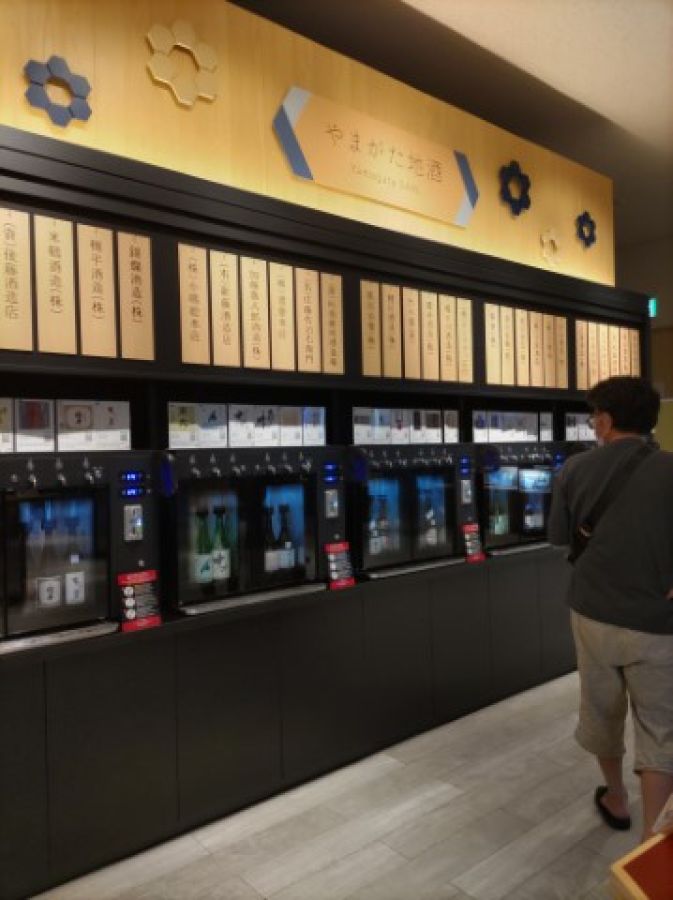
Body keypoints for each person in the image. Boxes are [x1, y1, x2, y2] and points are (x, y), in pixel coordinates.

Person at [548, 376, 673, 841]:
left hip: (592, 613)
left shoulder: (574, 469)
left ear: (604, 420)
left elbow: (558, 538)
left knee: (601, 710)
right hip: (657, 622)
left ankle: (616, 797)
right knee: (660, 727)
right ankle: (653, 837)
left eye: (593, 417)